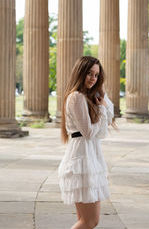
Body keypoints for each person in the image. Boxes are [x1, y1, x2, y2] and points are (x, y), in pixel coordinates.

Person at [58, 56, 114, 229]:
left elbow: (107, 123)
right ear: (80, 72)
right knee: (90, 221)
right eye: (89, 73)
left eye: (96, 75)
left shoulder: (86, 98)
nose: (93, 78)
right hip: (82, 158)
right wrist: (100, 109)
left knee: (85, 219)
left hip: (89, 157)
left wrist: (101, 101)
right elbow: (89, 132)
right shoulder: (76, 97)